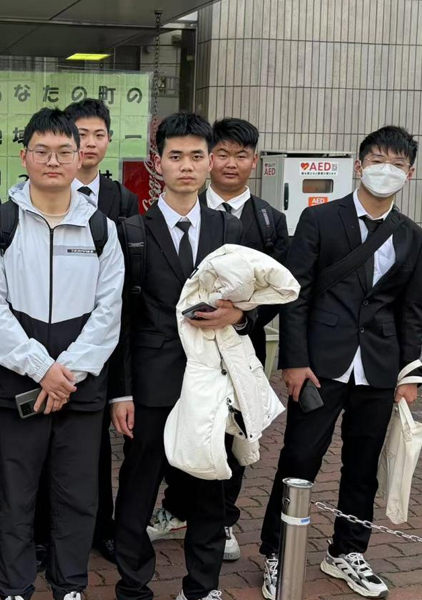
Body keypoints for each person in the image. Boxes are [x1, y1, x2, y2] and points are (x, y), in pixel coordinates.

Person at [259, 126, 422, 600]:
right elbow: (296, 295)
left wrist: (410, 374)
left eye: (397, 164)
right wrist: (294, 361)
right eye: (377, 160)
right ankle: (277, 551)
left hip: (379, 367)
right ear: (359, 165)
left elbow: (409, 310)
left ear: (410, 174)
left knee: (363, 465)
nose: (386, 170)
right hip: (319, 365)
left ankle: (347, 551)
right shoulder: (320, 219)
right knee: (299, 457)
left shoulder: (413, 236)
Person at [0, 107, 124, 600]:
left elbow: (109, 312)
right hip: (18, 383)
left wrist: (67, 373)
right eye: (42, 151)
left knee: (77, 495)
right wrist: (41, 369)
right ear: (24, 157)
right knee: (15, 495)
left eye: (63, 151)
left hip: (81, 386)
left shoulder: (101, 228)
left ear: (80, 157)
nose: (53, 161)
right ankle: (14, 586)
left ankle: (70, 585)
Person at [110, 112, 257, 600]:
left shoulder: (229, 228)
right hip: (151, 382)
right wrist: (122, 393)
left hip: (210, 382)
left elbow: (254, 301)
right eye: (176, 156)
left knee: (209, 489)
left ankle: (202, 587)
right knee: (138, 487)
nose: (187, 166)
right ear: (159, 163)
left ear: (210, 161)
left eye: (197, 156)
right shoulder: (132, 231)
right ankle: (133, 584)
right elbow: (120, 319)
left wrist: (239, 316)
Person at [149, 118, 289, 562]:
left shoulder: (267, 220)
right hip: (171, 355)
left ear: (254, 161)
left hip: (232, 348)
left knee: (230, 432)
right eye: (222, 154)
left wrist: (243, 316)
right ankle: (175, 507)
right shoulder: (178, 209)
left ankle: (222, 517)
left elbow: (273, 291)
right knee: (177, 434)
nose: (230, 163)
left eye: (240, 155)